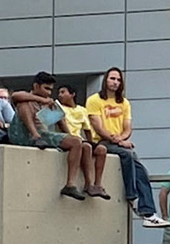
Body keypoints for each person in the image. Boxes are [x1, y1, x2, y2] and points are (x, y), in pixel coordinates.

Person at [87, 68, 165, 224]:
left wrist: (121, 139)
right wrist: (118, 141)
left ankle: (148, 212)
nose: (115, 82)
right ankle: (132, 196)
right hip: (101, 143)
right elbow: (98, 127)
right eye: (112, 79)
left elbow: (127, 127)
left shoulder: (124, 102)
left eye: (118, 80)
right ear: (105, 80)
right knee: (128, 155)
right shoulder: (94, 100)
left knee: (141, 171)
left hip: (119, 142)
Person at [10, 72, 102, 200]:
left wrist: (74, 139)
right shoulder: (25, 98)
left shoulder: (49, 104)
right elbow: (15, 96)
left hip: (43, 136)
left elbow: (62, 124)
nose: (48, 93)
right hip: (23, 135)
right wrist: (42, 100)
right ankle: (35, 136)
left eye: (50, 90)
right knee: (23, 104)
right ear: (36, 86)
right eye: (46, 88)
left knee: (79, 143)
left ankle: (77, 185)